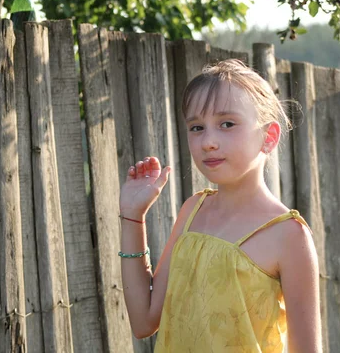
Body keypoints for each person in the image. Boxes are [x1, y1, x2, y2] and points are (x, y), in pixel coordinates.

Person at [118, 59, 322, 352]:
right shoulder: (193, 211)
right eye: (197, 127)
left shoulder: (289, 236)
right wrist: (133, 216)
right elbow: (143, 321)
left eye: (227, 124)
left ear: (269, 137)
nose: (208, 142)